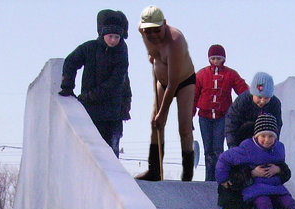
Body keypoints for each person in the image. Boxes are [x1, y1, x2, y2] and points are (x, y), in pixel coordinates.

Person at [135, 5, 196, 181]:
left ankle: (187, 175)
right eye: (149, 31)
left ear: (165, 24)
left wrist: (162, 113)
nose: (152, 34)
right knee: (155, 124)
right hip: (162, 81)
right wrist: (152, 56)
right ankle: (154, 170)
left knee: (184, 127)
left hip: (183, 81)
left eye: (157, 30)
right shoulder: (142, 29)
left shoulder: (176, 41)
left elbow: (173, 83)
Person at [60, 9, 131, 157]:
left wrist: (87, 97)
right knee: (90, 153)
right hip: (90, 113)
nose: (113, 40)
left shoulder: (122, 54)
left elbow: (114, 84)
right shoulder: (89, 48)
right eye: (110, 36)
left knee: (110, 155)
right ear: (103, 34)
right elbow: (71, 62)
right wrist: (67, 87)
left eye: (116, 37)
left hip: (112, 114)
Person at [193, 44, 248, 182]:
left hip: (222, 117)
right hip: (204, 117)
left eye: (219, 58)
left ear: (223, 59)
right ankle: (209, 179)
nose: (216, 61)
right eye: (213, 58)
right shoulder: (201, 74)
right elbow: (192, 97)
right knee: (207, 149)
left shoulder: (230, 74)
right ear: (209, 59)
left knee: (218, 148)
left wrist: (250, 102)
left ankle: (220, 177)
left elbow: (243, 91)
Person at [225, 71, 283, 149]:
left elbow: (277, 126)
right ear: (253, 94)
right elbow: (231, 124)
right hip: (242, 138)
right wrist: (233, 146)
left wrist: (273, 145)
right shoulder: (242, 101)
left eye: (266, 98)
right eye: (259, 97)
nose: (262, 101)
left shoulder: (275, 104)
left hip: (264, 139)